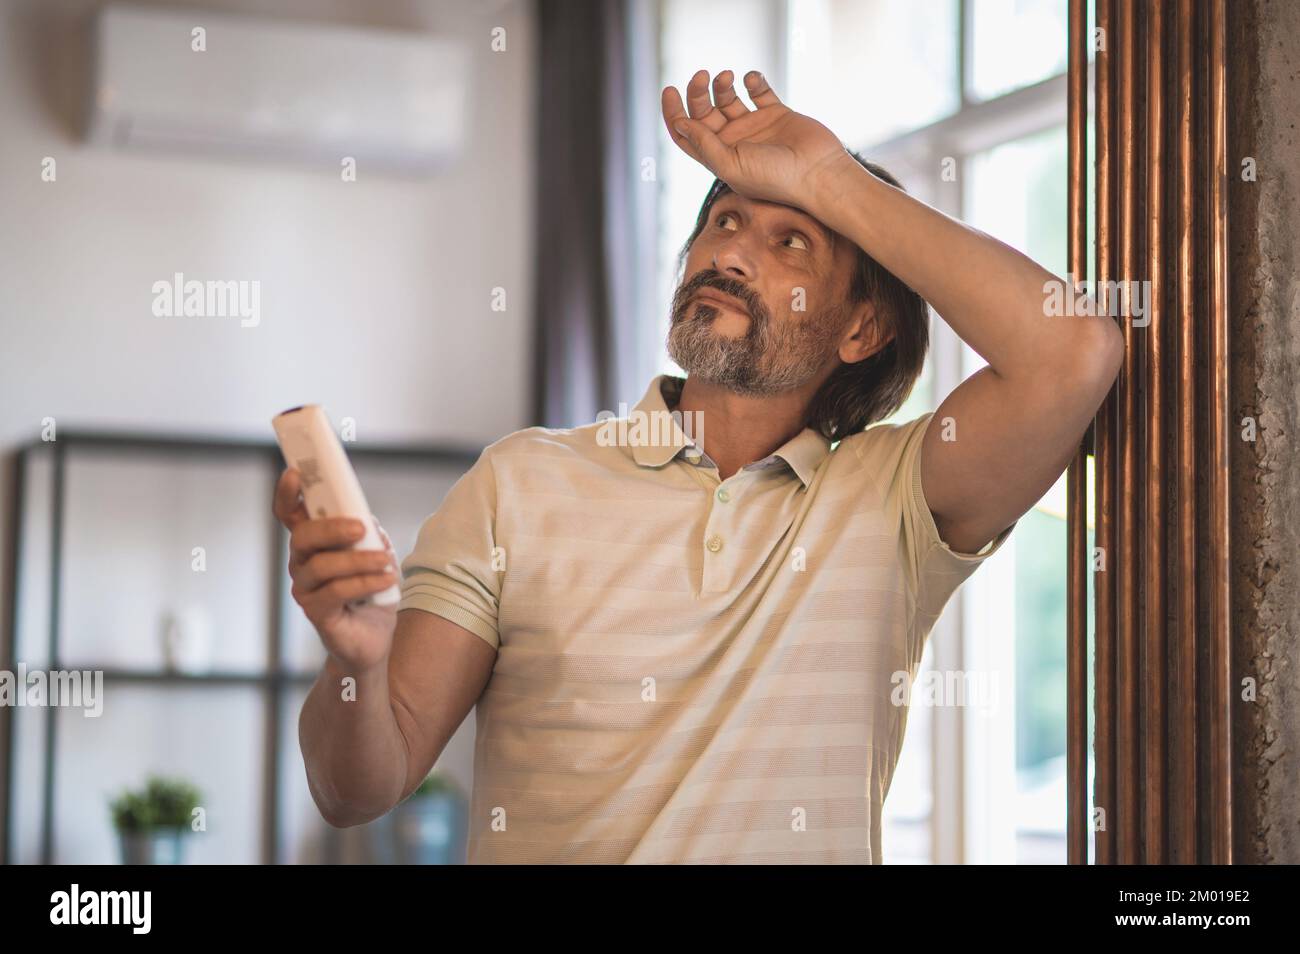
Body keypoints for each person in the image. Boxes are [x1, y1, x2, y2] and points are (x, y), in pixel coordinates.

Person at [274, 70, 1123, 864]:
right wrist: (358, 664)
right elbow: (356, 791)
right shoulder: (517, 483)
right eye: (722, 223)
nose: (732, 254)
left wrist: (831, 179)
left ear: (861, 331)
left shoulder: (899, 496)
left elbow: (1073, 351)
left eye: (790, 241)